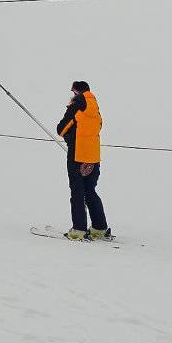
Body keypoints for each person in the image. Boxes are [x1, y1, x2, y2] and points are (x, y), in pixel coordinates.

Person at [57, 80, 111, 240]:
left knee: (77, 192)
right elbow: (97, 128)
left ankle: (79, 230)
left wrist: (69, 137)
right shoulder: (96, 110)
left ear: (76, 93)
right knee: (90, 191)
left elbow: (61, 129)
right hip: (93, 157)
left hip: (77, 156)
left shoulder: (76, 106)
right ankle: (99, 228)